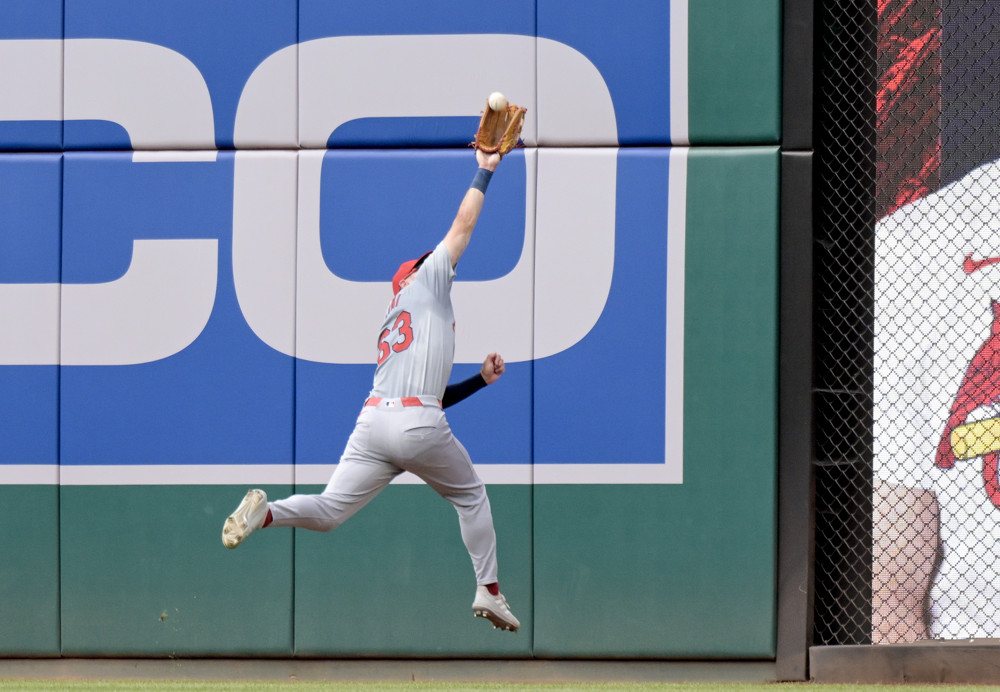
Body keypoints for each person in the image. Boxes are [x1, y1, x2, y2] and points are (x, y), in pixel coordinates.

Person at [221, 148, 520, 632]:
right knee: (472, 497)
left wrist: (480, 382)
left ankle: (269, 513)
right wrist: (485, 168)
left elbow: (432, 397)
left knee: (329, 510)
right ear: (417, 272)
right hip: (414, 422)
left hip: (375, 422)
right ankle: (489, 591)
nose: (441, 261)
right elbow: (462, 227)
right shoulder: (427, 282)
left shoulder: (399, 313)